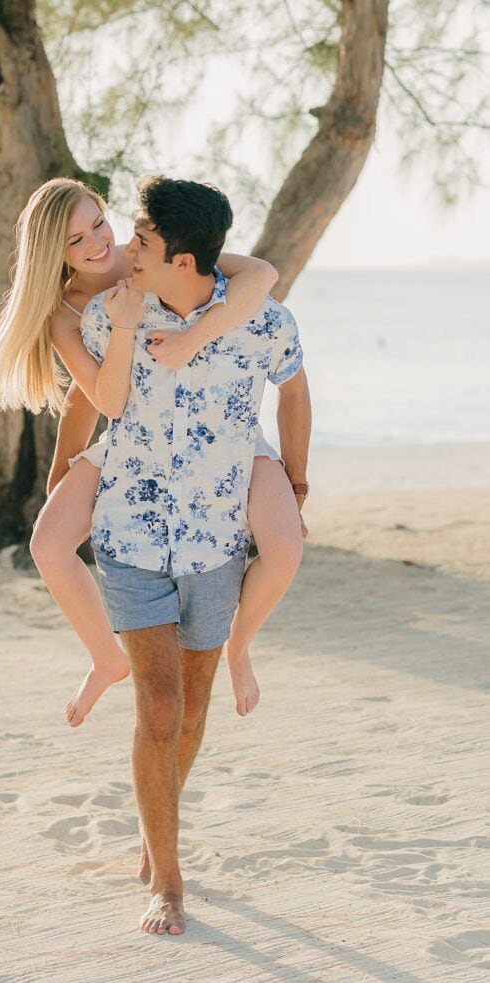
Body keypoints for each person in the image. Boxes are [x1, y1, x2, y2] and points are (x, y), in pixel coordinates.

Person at [0, 178, 304, 727]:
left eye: (98, 222)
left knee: (282, 549)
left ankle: (240, 647)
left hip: (216, 436)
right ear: (54, 253)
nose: (98, 243)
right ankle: (105, 658)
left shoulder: (146, 258)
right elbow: (94, 400)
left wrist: (197, 336)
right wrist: (63, 470)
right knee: (50, 545)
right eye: (76, 240)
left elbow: (261, 275)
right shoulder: (65, 314)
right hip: (133, 441)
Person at [79, 174, 310, 935]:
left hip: (215, 541)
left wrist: (295, 477)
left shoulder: (262, 321)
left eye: (140, 242)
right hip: (132, 538)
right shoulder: (113, 315)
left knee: (195, 705)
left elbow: (294, 393)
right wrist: (61, 494)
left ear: (182, 257)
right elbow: (89, 406)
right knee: (161, 702)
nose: (124, 250)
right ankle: (167, 883)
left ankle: (156, 832)